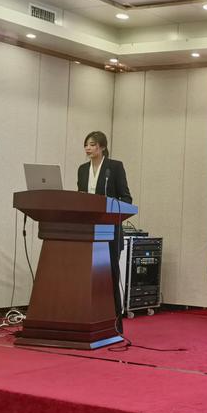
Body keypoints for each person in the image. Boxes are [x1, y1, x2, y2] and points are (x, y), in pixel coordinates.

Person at [76, 131, 132, 332]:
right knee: (86, 278)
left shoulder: (114, 167)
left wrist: (108, 206)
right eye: (86, 145)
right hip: (87, 232)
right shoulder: (82, 169)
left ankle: (114, 324)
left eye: (92, 144)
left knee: (110, 277)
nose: (88, 148)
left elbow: (126, 198)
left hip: (109, 231)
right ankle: (87, 321)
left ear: (102, 147)